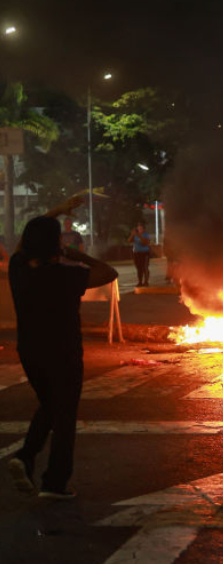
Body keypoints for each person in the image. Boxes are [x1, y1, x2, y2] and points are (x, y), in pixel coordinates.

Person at [7, 197, 119, 499]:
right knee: (64, 417)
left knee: (51, 406)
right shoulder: (65, 276)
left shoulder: (18, 270)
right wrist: (71, 253)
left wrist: (54, 212)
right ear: (55, 245)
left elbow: (23, 244)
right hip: (63, 354)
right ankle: (55, 483)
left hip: (29, 352)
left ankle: (25, 457)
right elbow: (109, 273)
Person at [126, 221, 152, 287]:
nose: (139, 230)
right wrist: (132, 234)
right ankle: (140, 282)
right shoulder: (135, 235)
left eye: (140, 228)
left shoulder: (146, 235)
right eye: (138, 228)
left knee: (145, 267)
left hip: (144, 253)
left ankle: (146, 281)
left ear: (143, 229)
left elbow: (145, 242)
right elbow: (129, 241)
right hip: (136, 253)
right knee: (139, 268)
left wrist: (139, 235)